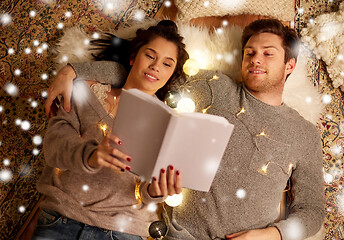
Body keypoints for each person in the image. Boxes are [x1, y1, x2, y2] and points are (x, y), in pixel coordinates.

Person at [45, 19, 325, 240]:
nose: (256, 59)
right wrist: (75, 70)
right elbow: (148, 75)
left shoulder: (304, 134)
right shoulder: (215, 86)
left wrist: (272, 235)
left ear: (290, 65)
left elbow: (312, 211)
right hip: (172, 233)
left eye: (268, 53)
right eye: (250, 52)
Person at [33, 20, 189, 240]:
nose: (155, 66)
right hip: (62, 219)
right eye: (150, 56)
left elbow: (146, 191)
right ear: (133, 57)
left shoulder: (168, 123)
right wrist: (91, 155)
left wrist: (157, 191)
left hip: (124, 231)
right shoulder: (84, 91)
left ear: (171, 74)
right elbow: (53, 146)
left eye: (167, 64)